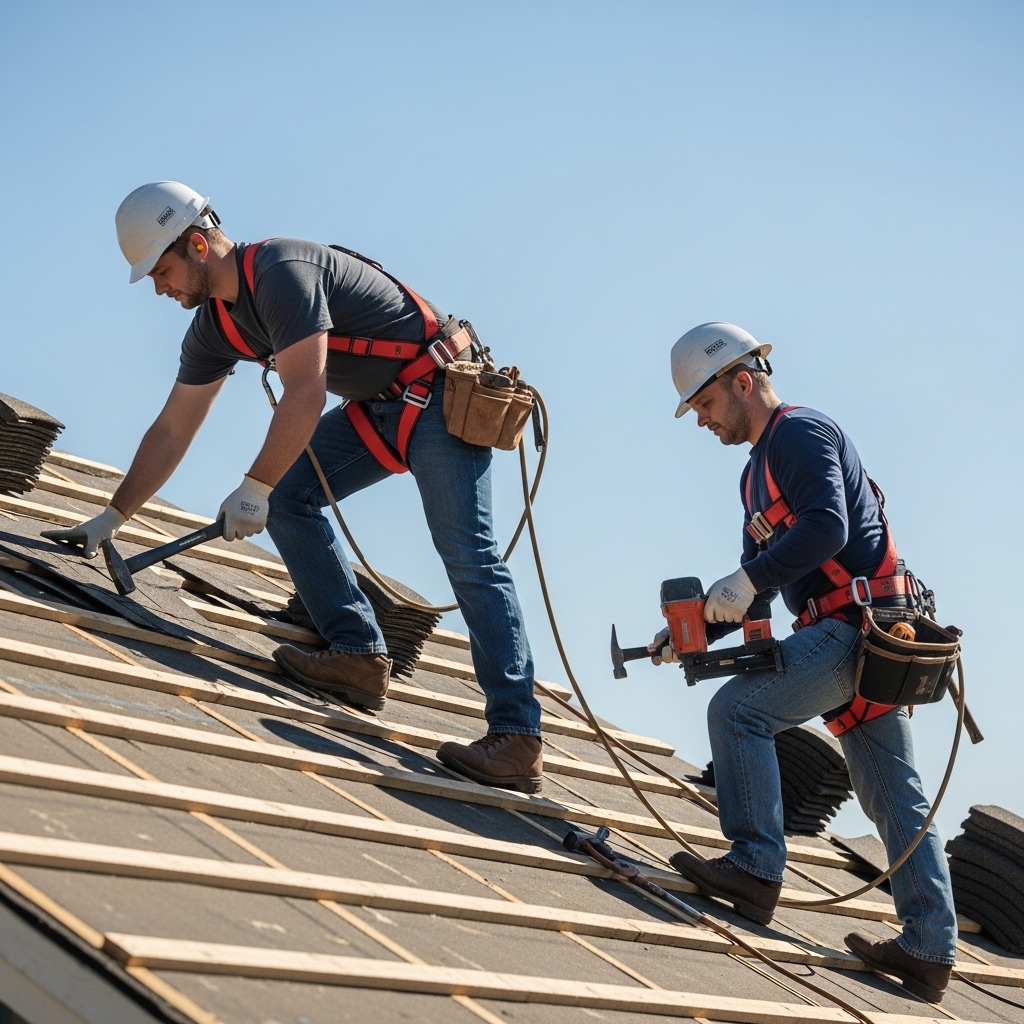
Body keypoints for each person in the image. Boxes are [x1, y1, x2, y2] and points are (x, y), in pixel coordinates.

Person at [42, 181, 543, 793]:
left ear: (198, 243)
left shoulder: (283, 272)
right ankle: (358, 655)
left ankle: (517, 737)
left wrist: (253, 485)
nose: (159, 287)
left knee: (468, 557)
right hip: (383, 407)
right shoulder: (213, 328)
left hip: (438, 394)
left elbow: (306, 391)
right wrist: (112, 516)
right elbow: (174, 427)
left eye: (162, 270)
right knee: (287, 499)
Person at [661, 322, 958, 1003]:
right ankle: (929, 948)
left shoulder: (798, 434)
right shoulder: (752, 477)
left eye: (704, 404)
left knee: (736, 712)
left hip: (855, 627)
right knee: (893, 793)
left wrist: (742, 584)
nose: (701, 420)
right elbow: (759, 580)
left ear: (742, 381)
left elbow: (829, 527)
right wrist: (707, 615)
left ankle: (755, 867)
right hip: (860, 633)